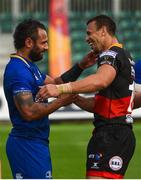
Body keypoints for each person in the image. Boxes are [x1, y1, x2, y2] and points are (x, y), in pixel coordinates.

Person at [36, 15, 136, 179]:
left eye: (90, 33)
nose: (86, 38)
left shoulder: (110, 54)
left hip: (111, 134)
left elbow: (100, 81)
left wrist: (60, 89)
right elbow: (105, 104)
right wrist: (76, 99)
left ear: (103, 31)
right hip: (118, 133)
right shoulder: (125, 55)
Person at [3, 19, 97, 179]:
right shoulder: (18, 71)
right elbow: (29, 112)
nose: (46, 47)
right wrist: (62, 101)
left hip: (36, 142)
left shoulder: (29, 66)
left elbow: (56, 83)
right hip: (26, 144)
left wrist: (80, 66)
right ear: (28, 42)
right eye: (43, 43)